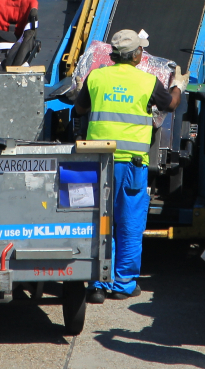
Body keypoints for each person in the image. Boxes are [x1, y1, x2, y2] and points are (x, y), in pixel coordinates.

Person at [76, 29, 189, 304]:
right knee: (128, 224)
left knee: (98, 221)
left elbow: (80, 109)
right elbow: (171, 105)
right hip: (131, 166)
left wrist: (83, 89)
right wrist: (179, 85)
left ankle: (96, 282)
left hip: (98, 163)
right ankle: (123, 283)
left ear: (114, 55)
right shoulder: (148, 82)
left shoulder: (97, 77)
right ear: (138, 55)